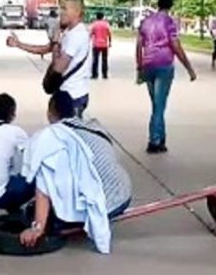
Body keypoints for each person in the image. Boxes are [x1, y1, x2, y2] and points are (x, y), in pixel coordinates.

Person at [18, 92, 132, 254]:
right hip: (122, 195)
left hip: (101, 205)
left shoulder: (51, 138)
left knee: (31, 210)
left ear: (50, 112)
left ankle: (71, 221)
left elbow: (44, 185)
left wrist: (38, 227)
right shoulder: (95, 127)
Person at [8, 0, 92, 115]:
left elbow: (58, 67)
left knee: (66, 133)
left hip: (73, 96)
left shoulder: (77, 35)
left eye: (65, 9)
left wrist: (56, 43)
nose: (60, 12)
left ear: (77, 12)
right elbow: (45, 49)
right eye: (61, 8)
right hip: (66, 92)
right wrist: (19, 44)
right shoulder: (69, 31)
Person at [135, 0, 197, 153]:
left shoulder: (146, 21)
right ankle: (154, 141)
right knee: (159, 105)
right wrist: (189, 68)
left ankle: (161, 138)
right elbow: (175, 46)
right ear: (170, 5)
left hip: (148, 64)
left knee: (157, 104)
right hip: (164, 65)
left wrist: (139, 67)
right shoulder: (169, 22)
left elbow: (138, 46)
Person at [89, 12, 111, 80]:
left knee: (95, 60)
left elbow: (90, 33)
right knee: (105, 60)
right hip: (104, 44)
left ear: (96, 17)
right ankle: (105, 74)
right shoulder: (106, 24)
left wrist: (88, 41)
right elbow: (109, 33)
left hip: (96, 45)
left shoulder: (94, 24)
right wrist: (110, 42)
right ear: (103, 17)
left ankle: (94, 74)